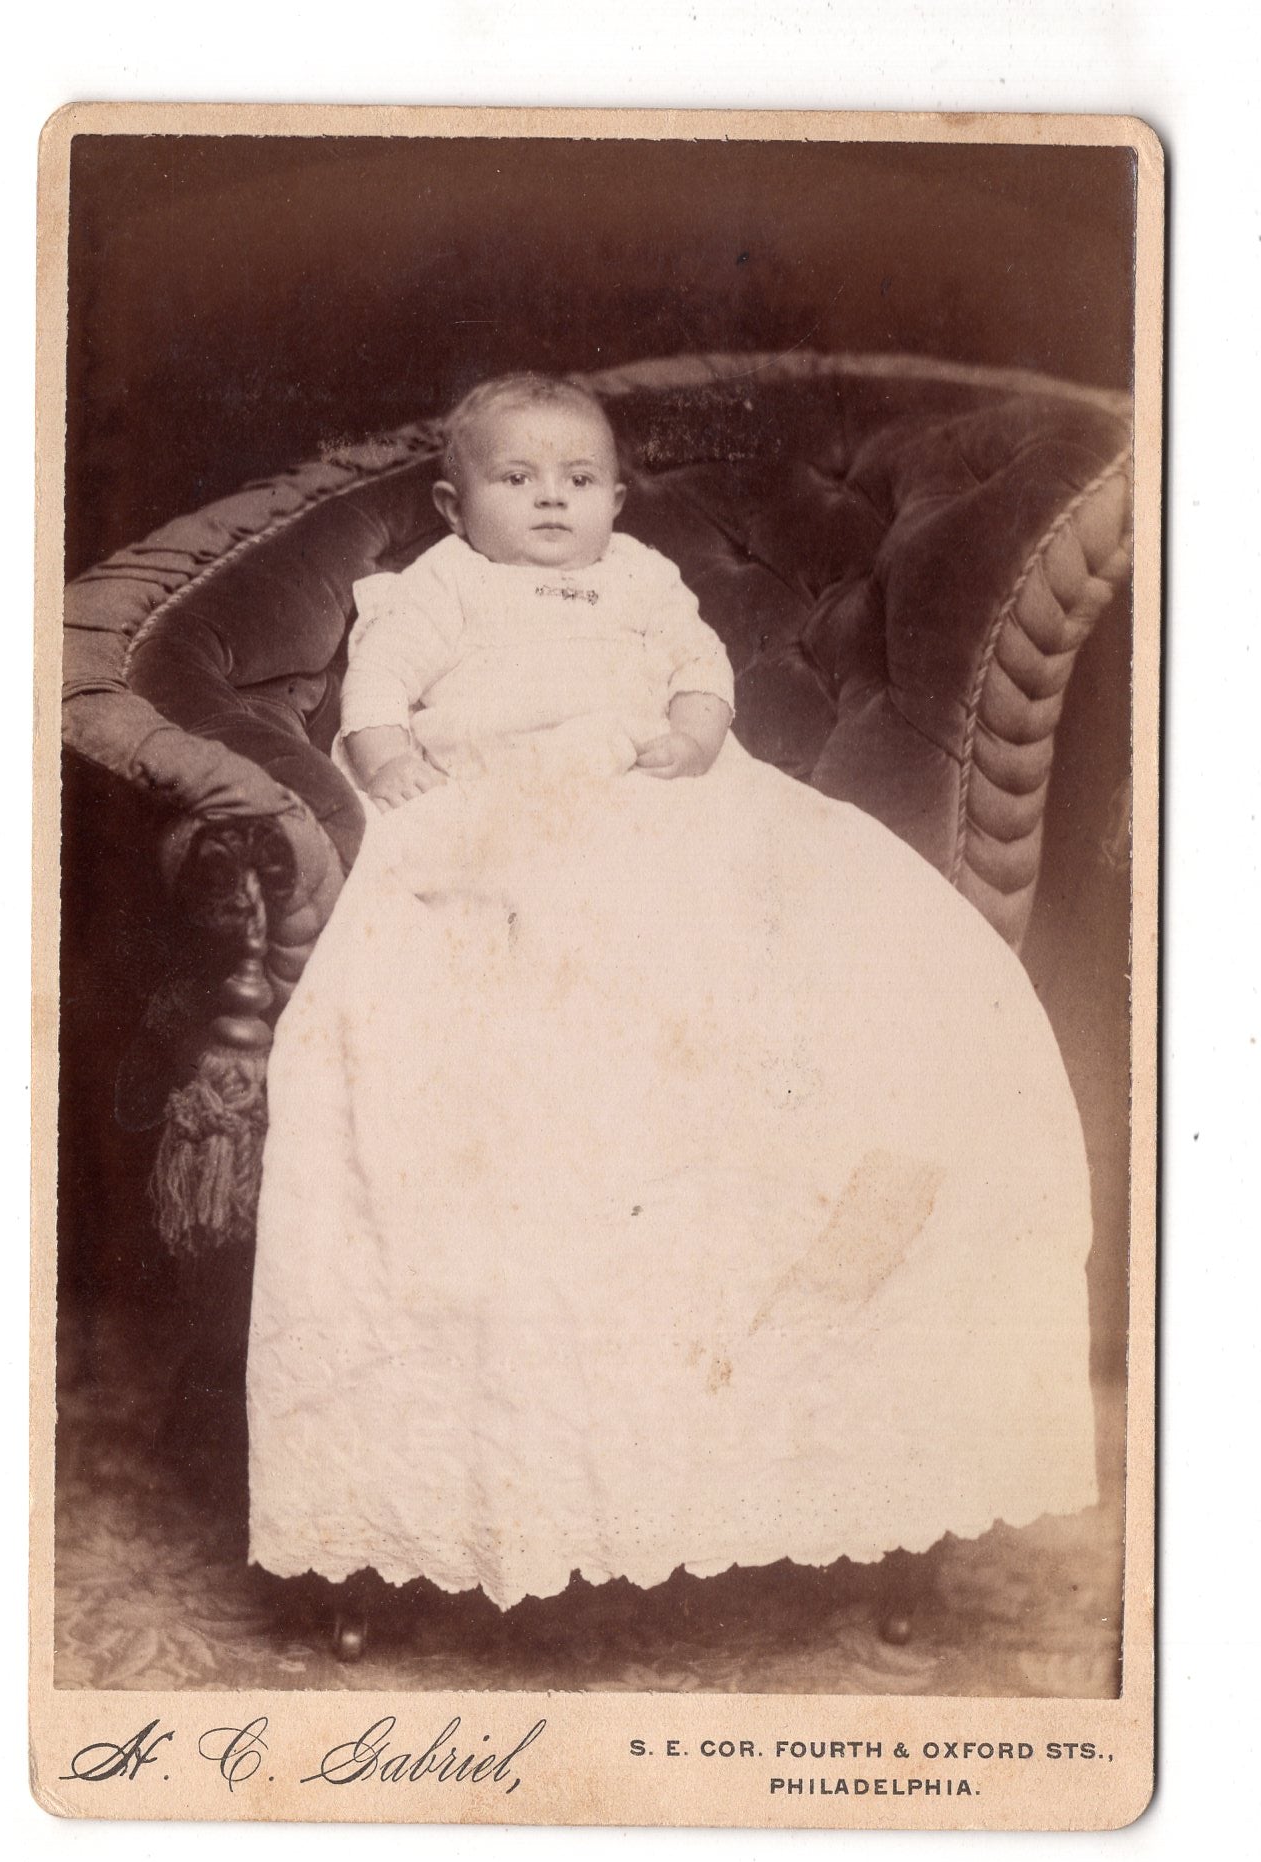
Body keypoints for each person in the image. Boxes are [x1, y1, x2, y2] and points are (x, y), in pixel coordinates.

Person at [246, 373, 1098, 1655]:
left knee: (844, 951)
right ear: (453, 502)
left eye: (579, 481)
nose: (552, 502)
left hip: (662, 801)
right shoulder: (437, 588)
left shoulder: (641, 579)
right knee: (510, 984)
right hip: (501, 802)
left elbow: (699, 674)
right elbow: (378, 693)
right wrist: (392, 761)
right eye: (516, 480)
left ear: (615, 497)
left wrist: (695, 735)